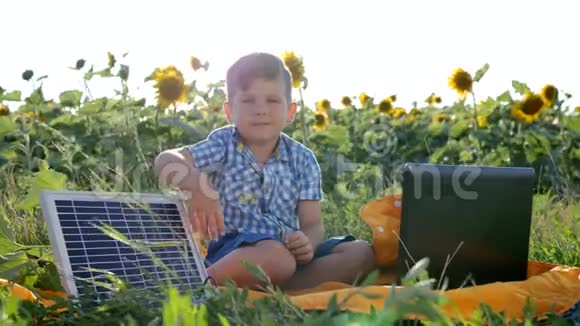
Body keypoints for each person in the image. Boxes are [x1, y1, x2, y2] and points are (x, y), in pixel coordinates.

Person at [153, 52, 375, 291]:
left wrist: (307, 243)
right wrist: (197, 186)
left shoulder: (303, 159)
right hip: (235, 252)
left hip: (288, 253)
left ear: (290, 112)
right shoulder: (223, 145)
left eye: (272, 100)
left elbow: (313, 223)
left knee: (361, 253)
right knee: (276, 259)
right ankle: (198, 285)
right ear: (229, 112)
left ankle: (276, 287)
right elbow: (165, 161)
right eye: (248, 101)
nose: (260, 110)